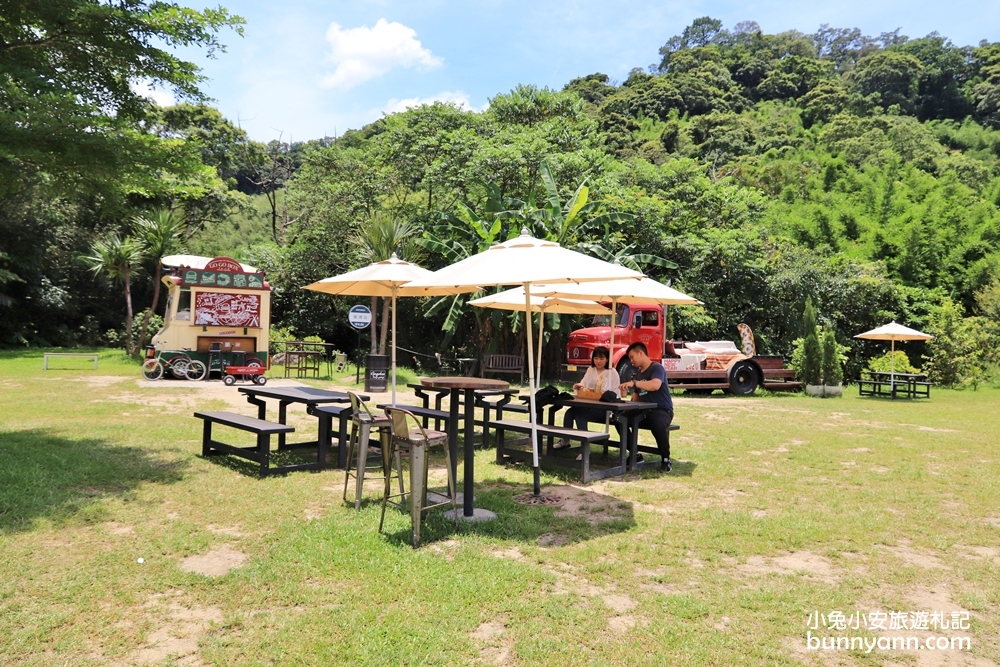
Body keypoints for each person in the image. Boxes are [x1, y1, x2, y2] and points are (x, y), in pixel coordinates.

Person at [619, 342, 674, 472]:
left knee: (658, 425)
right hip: (643, 410)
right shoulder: (637, 373)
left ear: (641, 353)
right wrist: (626, 403)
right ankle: (635, 454)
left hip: (661, 409)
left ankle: (666, 459)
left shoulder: (657, 368)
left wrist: (633, 383)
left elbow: (655, 385)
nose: (631, 361)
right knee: (619, 419)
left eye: (632, 357)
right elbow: (636, 397)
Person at [554, 346, 622, 448]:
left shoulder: (612, 373)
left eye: (601, 358)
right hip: (587, 403)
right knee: (569, 413)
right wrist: (579, 386)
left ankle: (585, 447)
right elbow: (584, 383)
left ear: (607, 359)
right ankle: (565, 440)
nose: (598, 361)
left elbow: (615, 394)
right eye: (596, 358)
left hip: (604, 408)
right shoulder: (591, 369)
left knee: (580, 416)